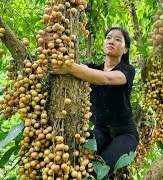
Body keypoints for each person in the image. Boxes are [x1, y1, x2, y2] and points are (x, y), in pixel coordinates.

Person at [49, 26, 139, 179]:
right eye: (109, 37)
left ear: (125, 50)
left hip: (125, 133)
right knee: (71, 149)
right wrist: (52, 39)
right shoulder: (91, 68)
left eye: (118, 40)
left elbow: (106, 79)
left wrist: (70, 68)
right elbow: (81, 68)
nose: (111, 41)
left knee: (101, 169)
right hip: (101, 130)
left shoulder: (127, 70)